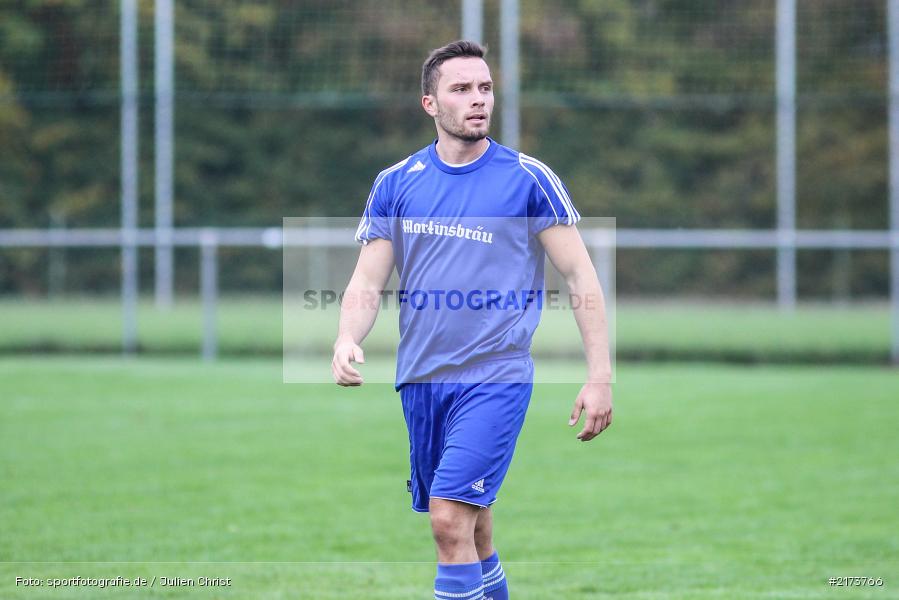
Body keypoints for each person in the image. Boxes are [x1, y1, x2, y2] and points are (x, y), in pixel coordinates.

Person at [331, 40, 612, 600]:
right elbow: (367, 280)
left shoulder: (527, 179)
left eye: (484, 88)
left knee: (448, 521)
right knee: (474, 527)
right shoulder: (397, 181)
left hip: (495, 376)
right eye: (461, 89)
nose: (478, 100)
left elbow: (581, 277)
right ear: (430, 104)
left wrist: (599, 375)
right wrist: (345, 336)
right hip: (421, 379)